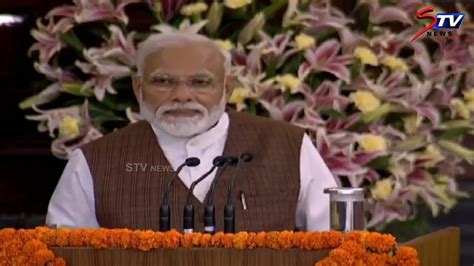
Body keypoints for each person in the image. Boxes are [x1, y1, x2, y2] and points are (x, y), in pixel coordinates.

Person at [46, 32, 338, 232]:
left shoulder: (288, 146)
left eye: (200, 82)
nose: (182, 95)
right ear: (138, 88)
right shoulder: (94, 161)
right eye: (163, 81)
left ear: (227, 88)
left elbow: (339, 242)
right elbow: (61, 254)